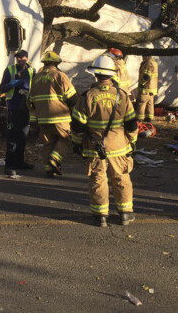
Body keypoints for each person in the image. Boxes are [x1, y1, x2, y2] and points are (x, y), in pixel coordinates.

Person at [71, 55, 138, 227]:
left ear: (95, 75)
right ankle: (125, 213)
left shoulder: (87, 96)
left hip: (94, 147)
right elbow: (131, 124)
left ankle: (100, 216)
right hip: (119, 146)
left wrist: (77, 143)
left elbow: (78, 126)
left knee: (98, 179)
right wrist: (132, 142)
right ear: (112, 75)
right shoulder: (122, 96)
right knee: (121, 178)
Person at [29, 51, 77, 177]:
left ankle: (49, 168)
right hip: (60, 117)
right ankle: (54, 160)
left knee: (48, 143)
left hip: (42, 118)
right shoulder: (60, 76)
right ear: (56, 63)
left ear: (44, 63)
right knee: (65, 139)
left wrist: (34, 121)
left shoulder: (36, 78)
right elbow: (72, 98)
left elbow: (31, 101)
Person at [0, 50, 35, 176]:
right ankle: (9, 165)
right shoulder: (10, 70)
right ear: (16, 59)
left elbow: (34, 87)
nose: (21, 61)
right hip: (13, 107)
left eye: (23, 59)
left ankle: (20, 162)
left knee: (22, 137)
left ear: (27, 58)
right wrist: (12, 84)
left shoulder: (31, 71)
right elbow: (2, 88)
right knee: (12, 138)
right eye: (19, 59)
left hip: (25, 107)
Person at [136, 55, 158, 122]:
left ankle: (139, 119)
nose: (142, 57)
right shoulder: (154, 62)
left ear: (147, 56)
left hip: (146, 88)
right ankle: (149, 118)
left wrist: (142, 84)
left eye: (143, 56)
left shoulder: (148, 63)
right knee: (150, 104)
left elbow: (146, 76)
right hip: (152, 89)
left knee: (141, 104)